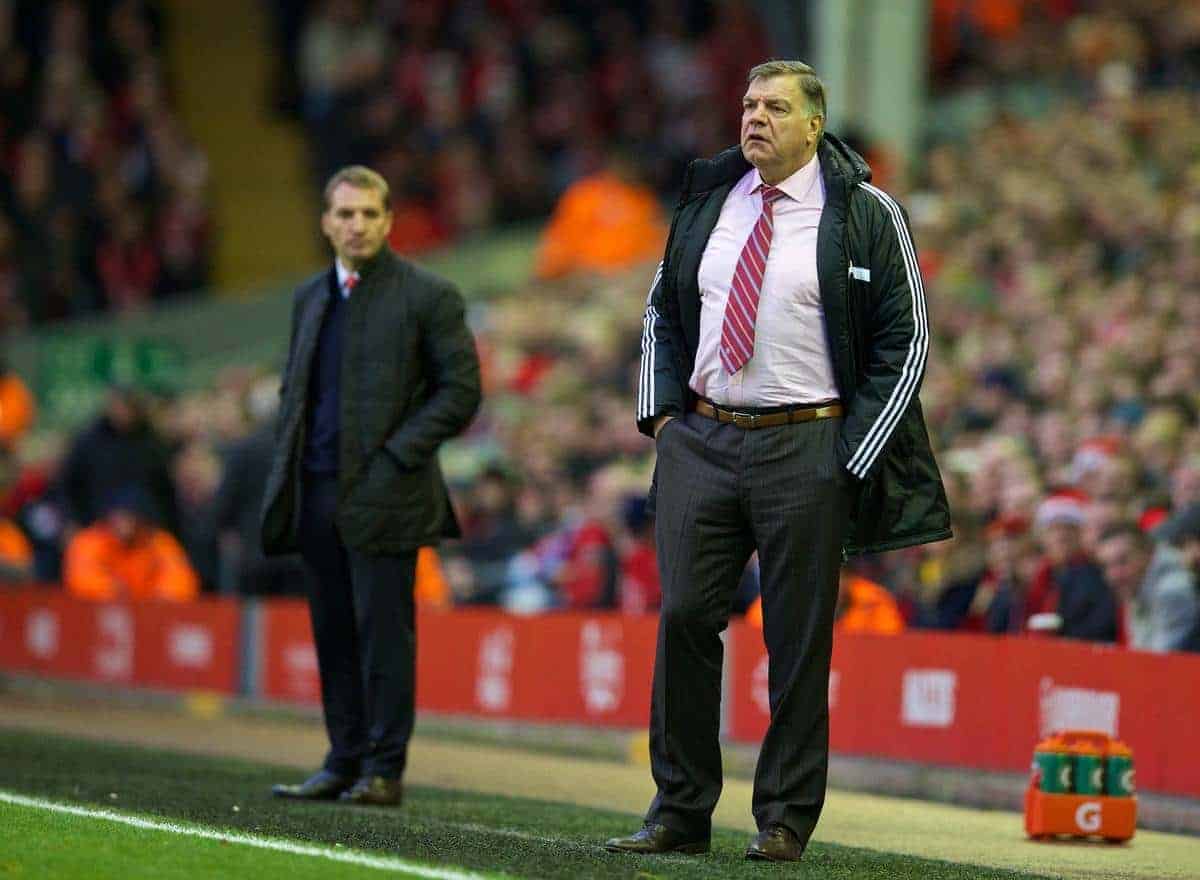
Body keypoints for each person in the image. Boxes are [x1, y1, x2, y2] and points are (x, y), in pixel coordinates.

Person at [607, 61, 950, 862]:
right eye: (749, 103)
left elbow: (906, 342)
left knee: (797, 638)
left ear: (813, 125)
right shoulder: (704, 204)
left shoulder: (867, 213)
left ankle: (786, 816)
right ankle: (679, 810)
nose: (755, 117)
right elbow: (662, 310)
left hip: (809, 443)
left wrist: (851, 455)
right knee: (687, 615)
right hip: (704, 437)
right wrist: (662, 419)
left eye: (776, 107)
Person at [261, 165, 481, 806]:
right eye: (345, 214)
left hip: (389, 493)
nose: (357, 225)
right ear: (327, 223)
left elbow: (462, 390)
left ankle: (384, 769)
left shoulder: (427, 295)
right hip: (316, 490)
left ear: (388, 221)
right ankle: (342, 759)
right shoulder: (309, 296)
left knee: (383, 634)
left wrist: (395, 457)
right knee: (332, 630)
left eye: (369, 214)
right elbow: (297, 391)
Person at [63, 488, 199, 602]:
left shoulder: (157, 542)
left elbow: (181, 578)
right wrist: (111, 590)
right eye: (118, 516)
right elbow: (81, 577)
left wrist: (159, 598)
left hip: (150, 618)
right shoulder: (91, 540)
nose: (122, 523)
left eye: (129, 517)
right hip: (100, 619)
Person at [1095, 521, 1199, 653]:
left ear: (1148, 554)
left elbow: (1155, 662)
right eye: (1106, 566)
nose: (1114, 575)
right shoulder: (1134, 586)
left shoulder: (1171, 592)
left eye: (1123, 561)